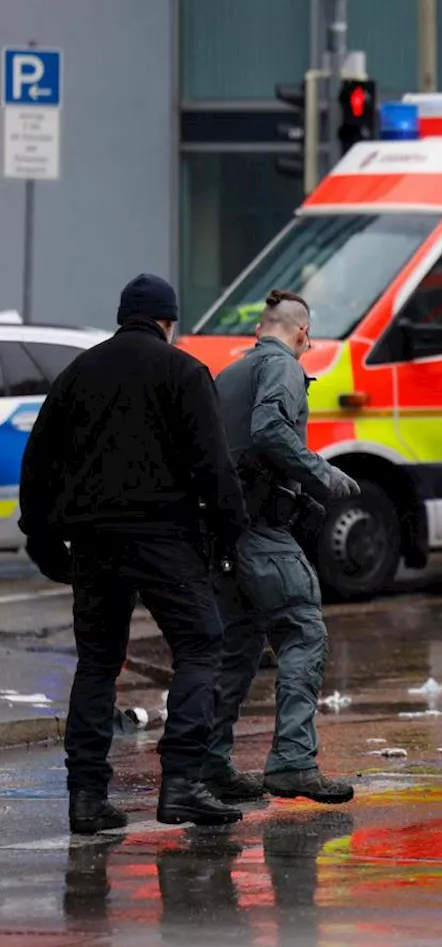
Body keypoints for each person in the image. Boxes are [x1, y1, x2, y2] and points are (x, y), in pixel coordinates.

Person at [19, 273, 249, 834]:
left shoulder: (79, 373)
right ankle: (183, 785)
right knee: (200, 644)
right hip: (165, 537)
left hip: (94, 541)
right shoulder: (183, 371)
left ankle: (86, 798)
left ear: (124, 316)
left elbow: (39, 460)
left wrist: (44, 540)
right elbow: (213, 465)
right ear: (168, 321)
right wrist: (231, 533)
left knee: (98, 662)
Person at [203, 289, 361, 805]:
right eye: (307, 338)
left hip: (225, 536)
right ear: (300, 333)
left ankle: (211, 765)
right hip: (263, 533)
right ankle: (293, 761)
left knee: (239, 647)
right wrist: (324, 476)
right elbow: (270, 428)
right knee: (302, 632)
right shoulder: (285, 368)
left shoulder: (228, 376)